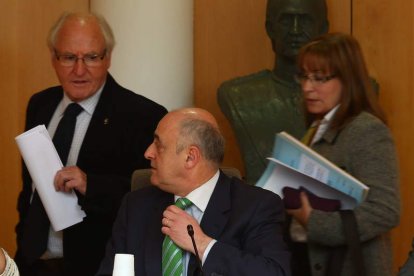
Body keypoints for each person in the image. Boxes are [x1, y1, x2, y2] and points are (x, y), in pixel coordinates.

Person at [14, 12, 167, 276]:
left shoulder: (143, 115)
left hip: (97, 265)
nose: (79, 70)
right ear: (53, 57)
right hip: (32, 262)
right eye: (69, 57)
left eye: (92, 57)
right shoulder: (40, 104)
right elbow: (29, 190)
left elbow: (154, 200)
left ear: (108, 57)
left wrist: (91, 184)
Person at [97, 108, 291, 275]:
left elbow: (274, 272)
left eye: (158, 145)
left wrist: (202, 244)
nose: (148, 153)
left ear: (190, 157)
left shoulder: (256, 205)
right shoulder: (136, 206)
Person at [285, 33, 400, 275]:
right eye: (304, 76)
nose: (307, 87)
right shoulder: (317, 126)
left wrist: (313, 220)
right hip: (306, 259)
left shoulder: (366, 130)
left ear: (348, 80)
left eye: (320, 78)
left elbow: (385, 211)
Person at [217, 0, 329, 185]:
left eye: (305, 20)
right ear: (270, 28)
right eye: (285, 20)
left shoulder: (353, 92)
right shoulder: (237, 95)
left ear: (323, 28)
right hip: (262, 208)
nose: (295, 30)